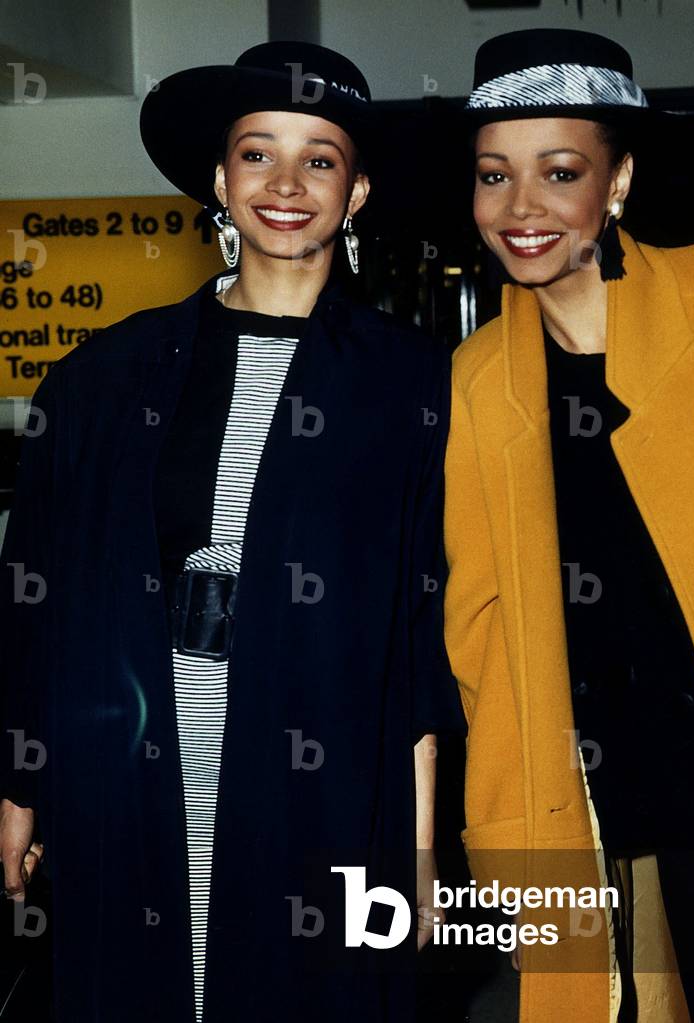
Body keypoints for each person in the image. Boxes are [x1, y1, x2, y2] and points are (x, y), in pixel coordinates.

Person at [0, 41, 464, 1023]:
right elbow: (34, 593)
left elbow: (420, 640)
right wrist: (21, 783)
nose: (286, 184)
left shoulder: (412, 386)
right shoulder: (103, 380)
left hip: (320, 782)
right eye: (258, 153)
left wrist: (419, 853)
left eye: (320, 158)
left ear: (358, 191)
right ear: (219, 177)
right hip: (129, 772)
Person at [444, 27, 694, 1023]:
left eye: (556, 170)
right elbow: (480, 632)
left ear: (614, 181)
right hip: (623, 828)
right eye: (493, 176)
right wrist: (508, 833)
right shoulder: (478, 381)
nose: (519, 208)